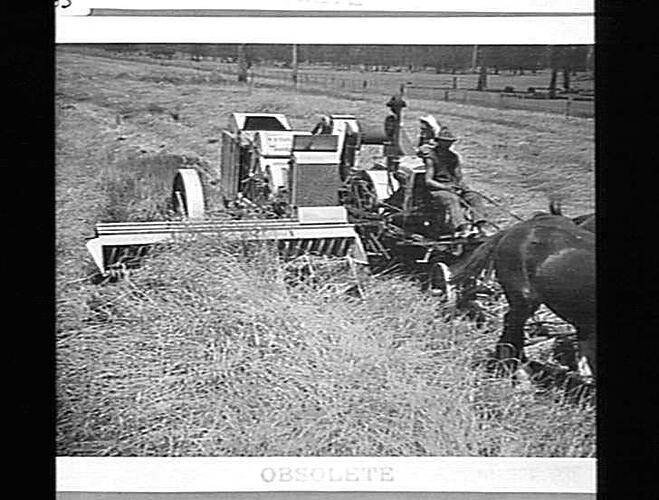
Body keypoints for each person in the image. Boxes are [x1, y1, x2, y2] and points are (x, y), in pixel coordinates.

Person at [417, 115, 493, 238]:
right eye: (444, 142)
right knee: (452, 199)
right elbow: (428, 181)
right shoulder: (431, 156)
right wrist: (446, 187)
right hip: (437, 189)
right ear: (438, 141)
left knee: (474, 196)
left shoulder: (453, 157)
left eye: (449, 142)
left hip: (452, 187)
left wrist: (463, 187)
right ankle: (462, 227)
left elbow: (458, 177)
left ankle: (480, 225)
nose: (447, 145)